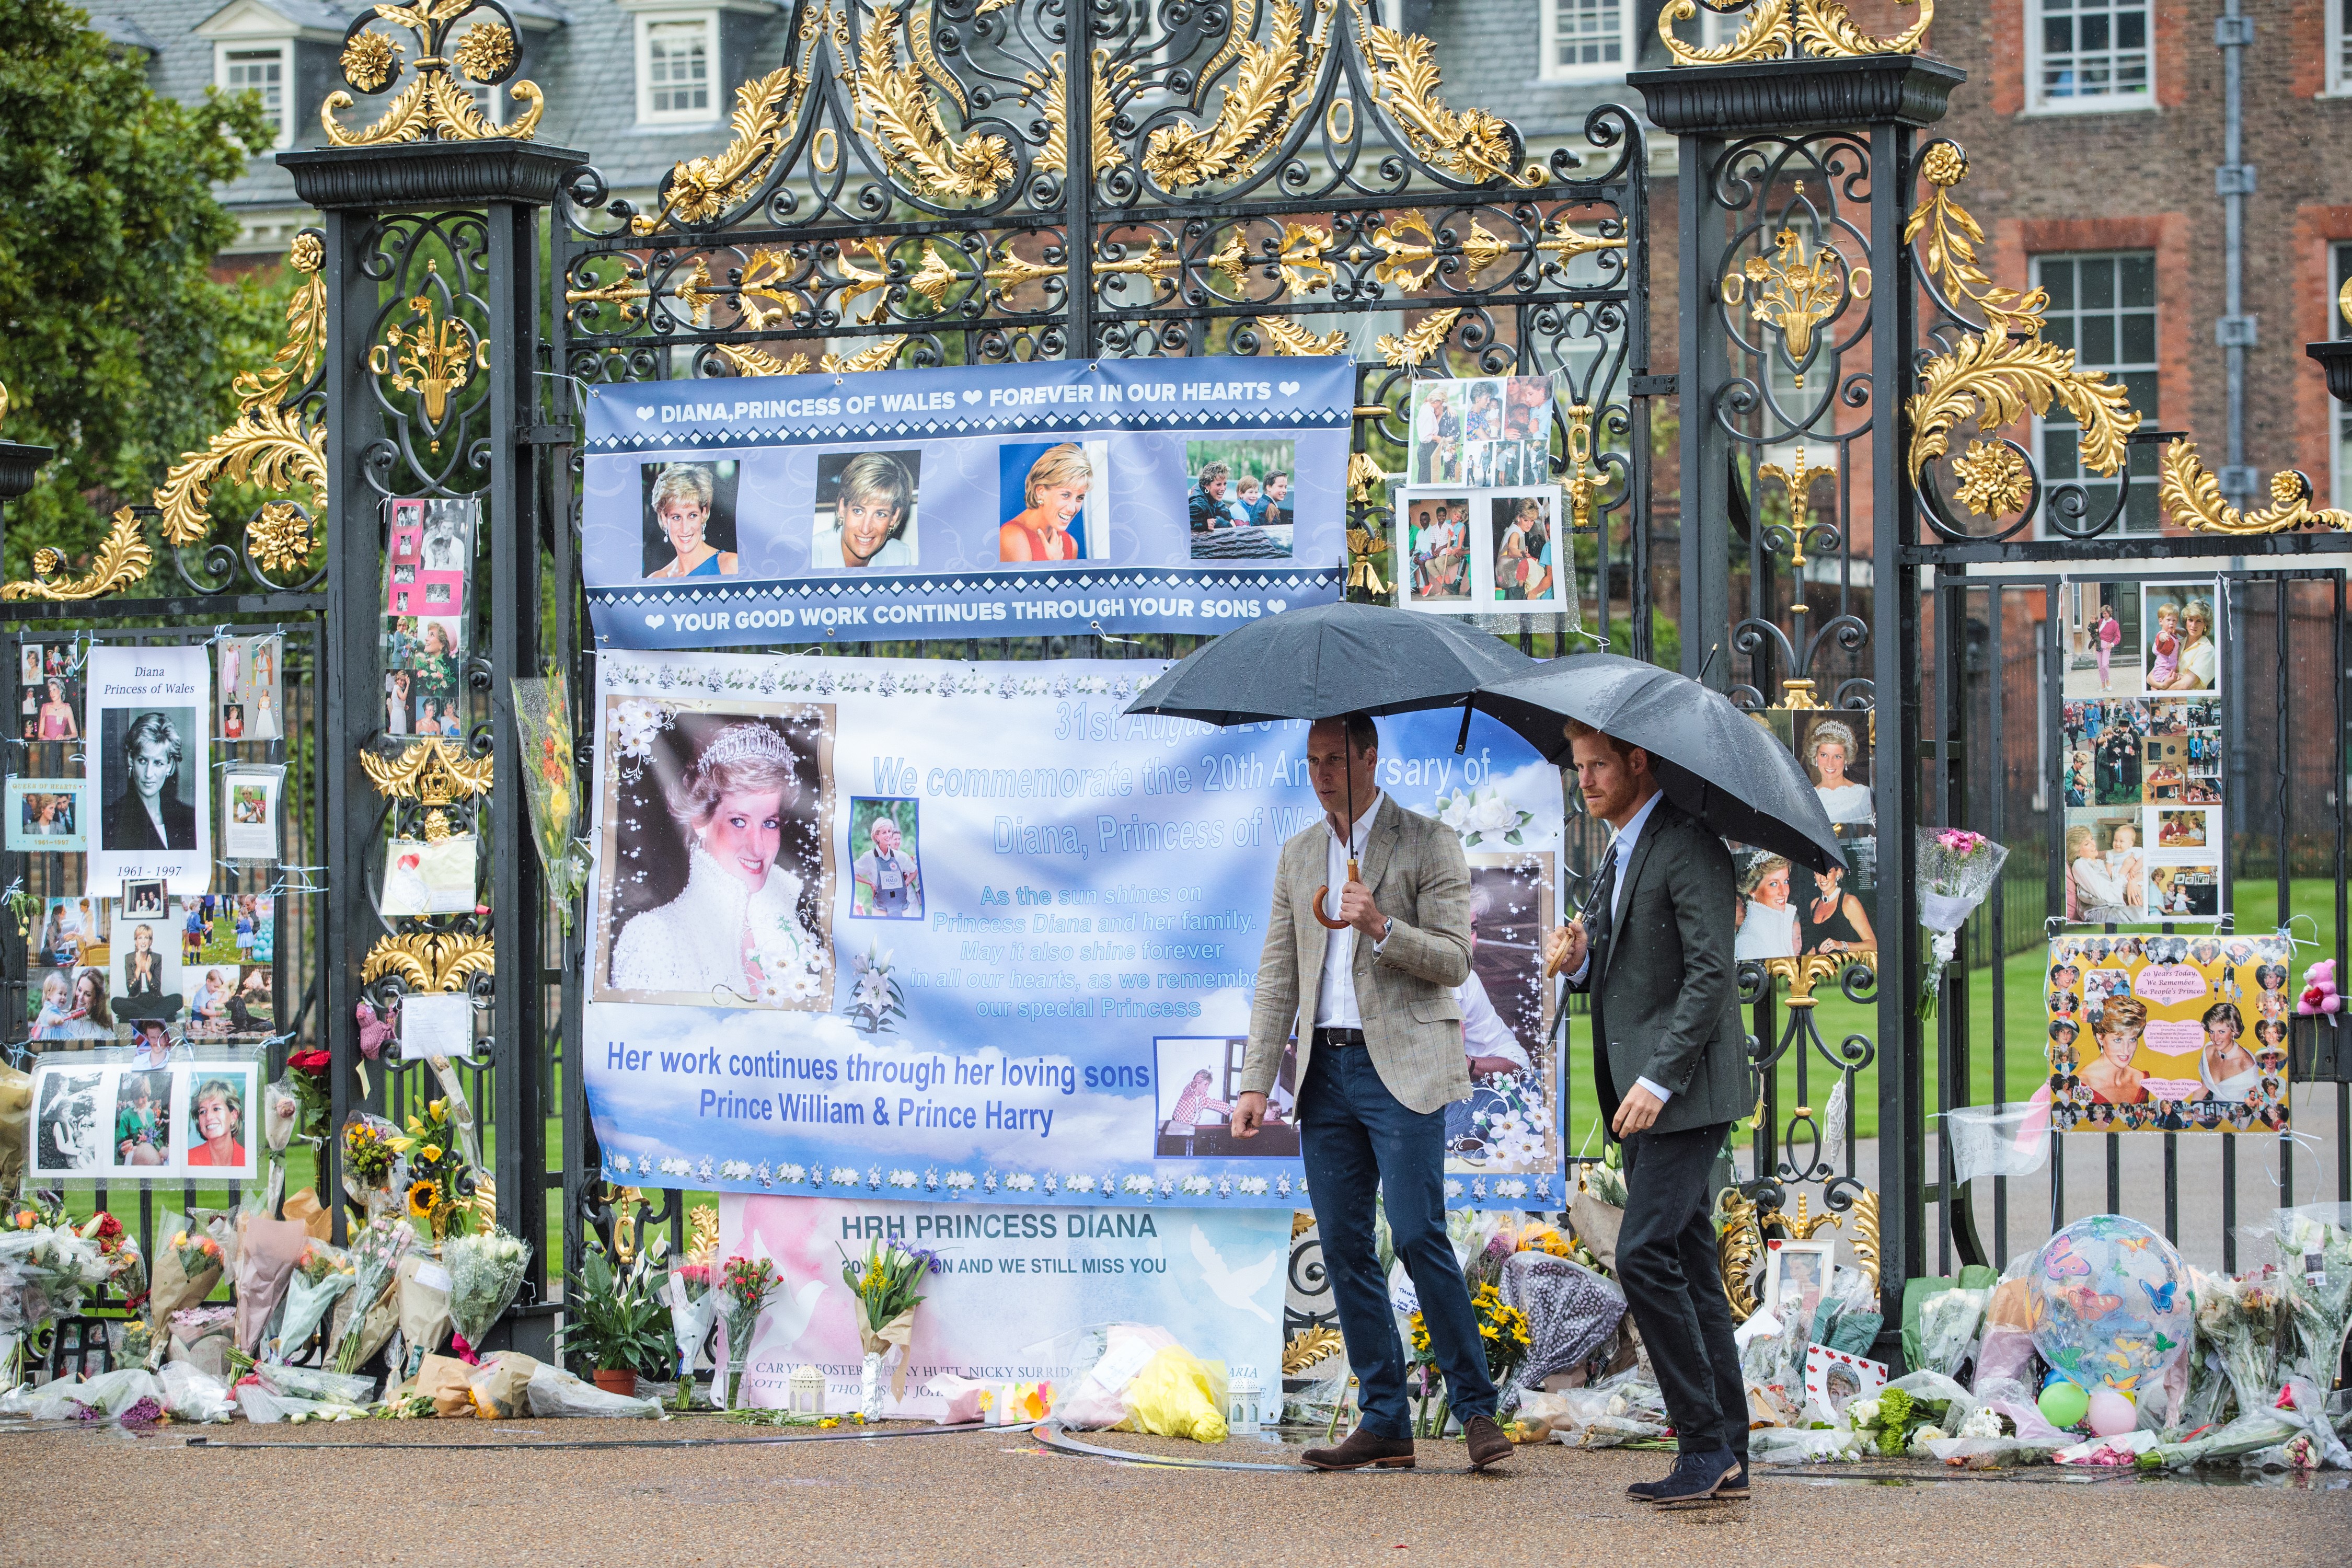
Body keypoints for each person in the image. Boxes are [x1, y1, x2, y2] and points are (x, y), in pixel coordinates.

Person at [1227, 712, 1512, 1474]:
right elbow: (1278, 976)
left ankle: (1476, 1410)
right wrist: (1257, 1081)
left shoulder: (1428, 841)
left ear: (1369, 757)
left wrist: (1382, 925)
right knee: (1347, 1245)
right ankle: (1386, 1417)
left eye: (1335, 760)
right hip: (1327, 1076)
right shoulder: (1298, 855)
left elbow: (1454, 961)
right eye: (1312, 762)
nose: (1322, 775)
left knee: (1419, 1235)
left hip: (1406, 1068)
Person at [1543, 716, 1749, 1509]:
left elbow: (1709, 976)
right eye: (1578, 766)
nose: (1585, 780)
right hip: (1642, 1094)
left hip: (1680, 1093)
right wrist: (1582, 956)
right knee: (1692, 1267)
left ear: (1637, 761)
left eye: (1598, 766)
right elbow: (1630, 966)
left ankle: (1701, 1445)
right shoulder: (1624, 844)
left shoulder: (1687, 842)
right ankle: (1726, 1451)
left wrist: (1660, 1080)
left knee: (1643, 1256)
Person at [609, 722, 826, 1002]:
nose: (758, 846)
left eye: (770, 823)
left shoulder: (791, 932)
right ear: (701, 821)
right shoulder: (654, 938)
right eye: (739, 822)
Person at [1443, 886, 1534, 1160]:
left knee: (1525, 1094)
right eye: (1457, 930)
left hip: (1446, 1111)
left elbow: (1519, 1063)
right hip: (1394, 1114)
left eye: (1472, 929)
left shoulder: (1465, 981)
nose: (1471, 944)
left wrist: (1470, 1064)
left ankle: (1486, 1192)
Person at [103, 711, 197, 851]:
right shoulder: (111, 819)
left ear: (170, 765)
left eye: (158, 763)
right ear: (131, 759)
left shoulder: (188, 818)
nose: (149, 774)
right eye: (142, 761)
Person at [645, 463, 739, 578]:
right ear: (664, 519)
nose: (685, 529)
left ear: (704, 513)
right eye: (677, 517)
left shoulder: (731, 565)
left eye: (692, 516)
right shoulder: (657, 579)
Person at [998, 445, 1086, 563]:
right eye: (1066, 495)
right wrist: (1055, 562)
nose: (1072, 509)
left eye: (1079, 498)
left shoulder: (1071, 544)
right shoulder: (1013, 537)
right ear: (1041, 492)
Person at [2083, 996, 2150, 1105]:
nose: (2126, 1050)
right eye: (2118, 1040)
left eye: (2133, 1039)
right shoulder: (2082, 1083)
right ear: (2101, 1038)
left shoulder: (2141, 1080)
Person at [851, 814, 921, 918]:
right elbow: (852, 871)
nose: (888, 835)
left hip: (902, 908)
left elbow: (915, 870)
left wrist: (906, 883)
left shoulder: (899, 856)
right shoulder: (869, 857)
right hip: (880, 910)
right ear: (877, 836)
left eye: (889, 831)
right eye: (884, 832)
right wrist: (870, 884)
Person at [1732, 854, 1800, 961]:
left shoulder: (1779, 931)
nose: (1784, 892)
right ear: (1752, 890)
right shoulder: (1748, 943)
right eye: (1774, 884)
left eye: (1786, 881)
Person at [1798, 861, 1875, 954]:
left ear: (1838, 873)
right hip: (1820, 967)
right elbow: (1818, 945)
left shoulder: (1849, 902)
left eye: (1828, 872)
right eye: (1818, 873)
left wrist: (1841, 945)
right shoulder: (1814, 904)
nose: (1822, 878)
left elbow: (1873, 945)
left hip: (1843, 968)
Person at [1804, 720, 1871, 825]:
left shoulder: (1864, 796)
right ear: (1816, 756)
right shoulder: (1807, 798)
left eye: (1837, 757)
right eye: (1824, 755)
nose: (1830, 764)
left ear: (1846, 759)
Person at [2195, 1000, 2259, 1103]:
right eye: (2212, 1032)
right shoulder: (2208, 1051)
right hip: (2215, 1114)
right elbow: (2203, 1088)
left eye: (2222, 1032)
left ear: (2234, 1032)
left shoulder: (2246, 1063)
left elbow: (2256, 1102)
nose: (2215, 1038)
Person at [185, 1076, 247, 1168]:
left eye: (216, 1109)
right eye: (203, 1111)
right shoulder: (189, 1159)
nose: (209, 1117)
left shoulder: (247, 1160)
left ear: (233, 1116)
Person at [114, 1073, 165, 1166]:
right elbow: (120, 1145)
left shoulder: (150, 1112)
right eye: (137, 1098)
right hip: (134, 1160)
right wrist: (123, 1148)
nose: (140, 1101)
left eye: (143, 1097)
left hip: (150, 1158)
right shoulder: (126, 1115)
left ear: (148, 1095)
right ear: (132, 1098)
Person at [119, 923, 167, 1019]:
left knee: (178, 999)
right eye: (140, 938)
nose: (143, 942)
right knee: (115, 1002)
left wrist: (148, 971)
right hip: (136, 1000)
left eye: (147, 938)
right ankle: (154, 1015)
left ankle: (141, 1016)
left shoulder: (157, 958)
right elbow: (130, 988)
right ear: (136, 941)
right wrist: (139, 968)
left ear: (151, 941)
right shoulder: (129, 958)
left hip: (153, 999)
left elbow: (157, 988)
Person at [1167, 1068, 1233, 1129]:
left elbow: (1216, 1104)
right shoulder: (1188, 1095)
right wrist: (1194, 1082)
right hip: (1177, 1128)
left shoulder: (1203, 1098)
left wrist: (1234, 1109)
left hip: (1189, 1129)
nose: (1207, 1088)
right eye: (1206, 1084)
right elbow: (1190, 1089)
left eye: (1208, 1085)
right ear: (1198, 1084)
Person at [2145, 602, 2182, 689]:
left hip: (2169, 669)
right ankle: (2157, 688)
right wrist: (2163, 637)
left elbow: (2184, 633)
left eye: (2174, 621)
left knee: (2177, 679)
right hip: (2163, 671)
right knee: (2178, 680)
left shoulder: (2172, 634)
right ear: (2161, 622)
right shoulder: (2161, 634)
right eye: (2168, 620)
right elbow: (2160, 639)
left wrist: (2178, 630)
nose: (2171, 623)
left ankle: (2156, 688)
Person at [1187, 462, 1233, 532]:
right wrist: (1204, 525)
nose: (1223, 488)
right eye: (1219, 485)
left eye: (1225, 484)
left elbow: (1219, 504)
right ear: (1207, 485)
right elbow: (1182, 524)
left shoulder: (1207, 491)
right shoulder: (1199, 505)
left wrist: (1230, 519)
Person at [37, 676, 76, 740]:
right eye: (51, 691)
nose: (52, 693)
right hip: (47, 745)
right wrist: (46, 739)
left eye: (54, 690)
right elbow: (40, 734)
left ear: (60, 691)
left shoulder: (67, 709)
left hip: (60, 745)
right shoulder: (45, 707)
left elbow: (75, 734)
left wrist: (65, 737)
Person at [2093, 604, 2120, 691]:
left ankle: (2108, 681)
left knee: (2105, 665)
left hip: (2107, 646)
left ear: (2109, 613)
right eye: (2103, 614)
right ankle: (2102, 684)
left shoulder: (2114, 624)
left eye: (2105, 614)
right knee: (2100, 667)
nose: (2104, 616)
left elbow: (2118, 637)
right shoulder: (2100, 622)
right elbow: (2094, 630)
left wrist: (2112, 644)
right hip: (2098, 646)